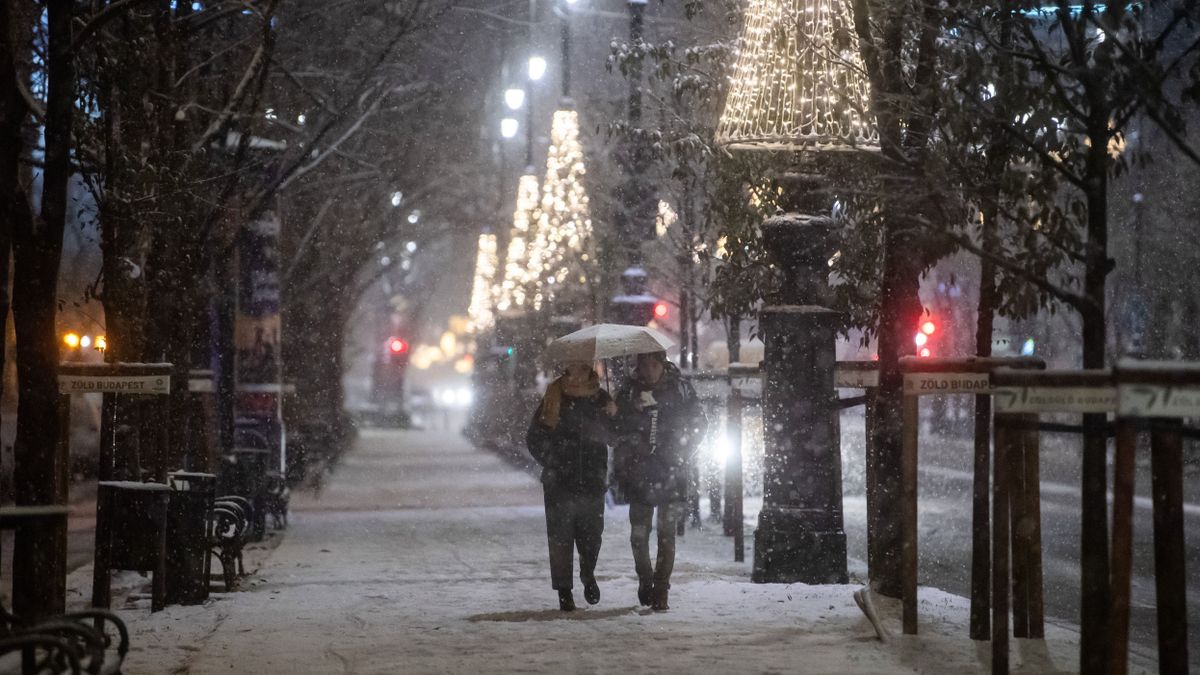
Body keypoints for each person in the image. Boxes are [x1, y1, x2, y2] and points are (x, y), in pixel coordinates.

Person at [612, 351, 705, 611]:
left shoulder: (681, 389)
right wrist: (632, 413)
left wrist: (681, 452)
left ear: (663, 365)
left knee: (667, 535)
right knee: (639, 535)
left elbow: (699, 423)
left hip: (671, 472)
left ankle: (661, 587)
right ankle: (645, 578)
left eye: (655, 365)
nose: (650, 370)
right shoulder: (629, 391)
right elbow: (616, 429)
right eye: (645, 365)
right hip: (639, 473)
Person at [526, 362, 616, 611]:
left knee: (592, 537)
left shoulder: (601, 398)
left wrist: (614, 416)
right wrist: (553, 460)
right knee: (560, 539)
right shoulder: (554, 397)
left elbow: (614, 437)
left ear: (589, 371)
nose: (577, 374)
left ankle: (588, 574)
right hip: (559, 483)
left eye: (582, 369)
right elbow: (534, 437)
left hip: (592, 480)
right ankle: (564, 591)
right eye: (573, 369)